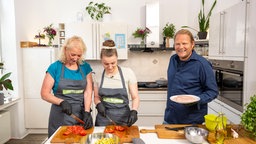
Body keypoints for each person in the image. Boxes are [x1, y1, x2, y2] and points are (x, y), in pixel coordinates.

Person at [41, 36, 93, 137]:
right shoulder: (55, 67)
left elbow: (88, 91)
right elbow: (44, 94)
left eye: (79, 55)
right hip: (60, 116)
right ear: (65, 50)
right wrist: (61, 102)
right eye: (73, 54)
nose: (75, 58)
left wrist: (87, 112)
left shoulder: (85, 67)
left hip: (80, 114)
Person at [164, 29, 218, 124]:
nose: (181, 47)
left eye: (184, 43)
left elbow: (213, 91)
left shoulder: (202, 64)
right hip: (170, 118)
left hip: (191, 122)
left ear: (192, 44)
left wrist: (196, 99)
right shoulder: (173, 59)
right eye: (177, 44)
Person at [94, 40, 140, 126]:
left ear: (117, 58)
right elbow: (96, 97)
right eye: (106, 64)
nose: (110, 67)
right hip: (103, 119)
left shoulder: (128, 73)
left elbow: (135, 97)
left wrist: (134, 111)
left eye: (113, 63)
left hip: (123, 118)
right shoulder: (98, 75)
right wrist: (98, 104)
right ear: (101, 60)